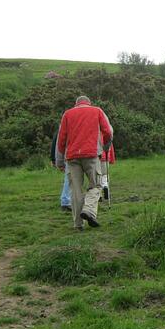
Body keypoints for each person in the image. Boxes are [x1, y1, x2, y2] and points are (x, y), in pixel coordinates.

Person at [56, 96, 113, 230]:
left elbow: (61, 139)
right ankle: (88, 210)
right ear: (89, 103)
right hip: (91, 155)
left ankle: (78, 224)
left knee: (75, 190)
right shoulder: (97, 111)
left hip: (72, 156)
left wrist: (59, 161)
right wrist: (106, 146)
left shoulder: (67, 114)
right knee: (96, 185)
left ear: (76, 104)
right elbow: (108, 131)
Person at [51, 132, 72, 212]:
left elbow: (55, 144)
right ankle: (65, 201)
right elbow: (56, 144)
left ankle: (67, 199)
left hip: (67, 155)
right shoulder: (61, 131)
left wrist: (53, 158)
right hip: (69, 155)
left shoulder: (61, 129)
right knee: (69, 178)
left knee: (69, 178)